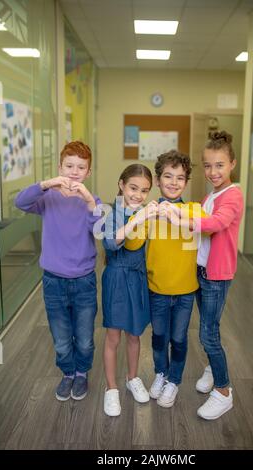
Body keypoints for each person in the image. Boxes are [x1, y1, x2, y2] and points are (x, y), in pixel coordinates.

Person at [165, 131, 244, 420]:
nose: (213, 171)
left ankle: (223, 391)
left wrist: (180, 217)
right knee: (210, 326)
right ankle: (213, 367)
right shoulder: (211, 195)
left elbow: (215, 223)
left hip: (216, 275)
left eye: (220, 165)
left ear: (232, 163)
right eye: (208, 165)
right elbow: (200, 225)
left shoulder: (232, 195)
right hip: (202, 270)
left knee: (208, 333)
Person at [15, 141, 102, 402]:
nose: (74, 172)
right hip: (53, 282)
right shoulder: (47, 198)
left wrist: (88, 200)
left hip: (84, 280)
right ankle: (67, 373)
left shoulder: (93, 202)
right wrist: (46, 184)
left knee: (84, 338)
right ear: (60, 167)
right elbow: (21, 202)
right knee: (62, 337)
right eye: (69, 166)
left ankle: (81, 373)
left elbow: (100, 230)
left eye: (81, 167)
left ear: (88, 172)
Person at [125, 151, 207, 408]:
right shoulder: (152, 212)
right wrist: (140, 215)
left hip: (185, 292)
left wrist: (176, 214)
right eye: (168, 177)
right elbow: (131, 243)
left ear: (186, 182)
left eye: (180, 178)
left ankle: (174, 380)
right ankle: (161, 373)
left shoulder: (195, 210)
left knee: (179, 338)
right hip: (157, 289)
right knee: (159, 337)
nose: (173, 182)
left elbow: (206, 226)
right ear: (158, 181)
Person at [102, 164, 158, 417]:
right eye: (133, 188)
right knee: (113, 337)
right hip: (116, 277)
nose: (138, 195)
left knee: (135, 335)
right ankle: (111, 388)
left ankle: (132, 378)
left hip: (137, 279)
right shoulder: (111, 212)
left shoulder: (145, 212)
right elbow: (111, 243)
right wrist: (139, 218)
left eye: (144, 191)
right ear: (121, 185)